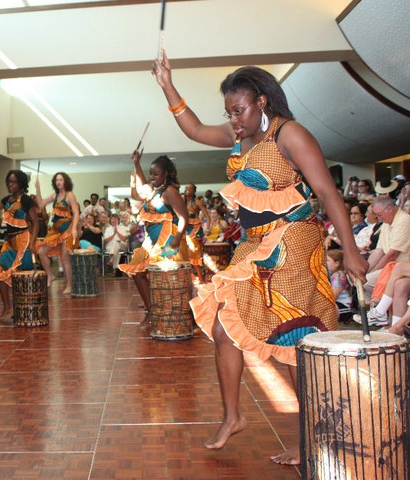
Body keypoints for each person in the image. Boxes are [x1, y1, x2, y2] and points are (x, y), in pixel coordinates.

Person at [153, 56, 367, 464]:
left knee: (290, 340)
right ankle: (233, 417)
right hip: (253, 244)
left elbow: (327, 192)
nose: (233, 119)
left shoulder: (291, 134)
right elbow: (195, 129)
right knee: (223, 328)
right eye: (229, 112)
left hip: (293, 241)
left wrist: (351, 249)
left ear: (262, 102)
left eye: (240, 110)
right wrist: (167, 84)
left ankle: (311, 438)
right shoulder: (238, 136)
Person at [120, 151, 188, 326]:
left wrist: (177, 240)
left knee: (171, 280)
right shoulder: (154, 190)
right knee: (137, 271)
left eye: (155, 174)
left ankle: (184, 317)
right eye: (151, 173)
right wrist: (137, 163)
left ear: (165, 174)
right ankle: (151, 311)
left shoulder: (169, 191)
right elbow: (142, 184)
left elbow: (184, 218)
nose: (152, 177)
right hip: (151, 241)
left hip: (167, 239)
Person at [0, 170, 38, 322]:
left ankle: (19, 309)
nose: (10, 184)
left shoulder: (26, 200)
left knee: (16, 275)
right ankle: (7, 308)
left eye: (14, 181)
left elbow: (35, 223)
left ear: (21, 183)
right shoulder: (7, 200)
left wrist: (33, 242)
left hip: (23, 241)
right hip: (9, 242)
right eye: (9, 181)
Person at [35, 172, 80, 294]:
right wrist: (37, 189)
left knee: (65, 257)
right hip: (55, 230)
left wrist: (74, 228)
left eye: (61, 180)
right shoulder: (54, 195)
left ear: (65, 181)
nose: (58, 182)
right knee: (41, 251)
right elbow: (41, 204)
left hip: (67, 229)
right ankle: (50, 275)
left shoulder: (69, 195)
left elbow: (76, 213)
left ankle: (70, 285)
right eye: (56, 180)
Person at [183, 183, 210, 277]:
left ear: (194, 191)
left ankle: (201, 278)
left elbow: (207, 215)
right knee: (185, 254)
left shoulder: (197, 202)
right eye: (186, 188)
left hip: (195, 228)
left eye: (190, 188)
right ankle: (192, 277)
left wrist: (207, 227)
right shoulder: (182, 200)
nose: (187, 190)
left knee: (194, 254)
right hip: (185, 229)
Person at [326, 250, 353, 323]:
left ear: (337, 263)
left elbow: (333, 296)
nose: (324, 263)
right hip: (338, 304)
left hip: (344, 308)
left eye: (327, 260)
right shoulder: (334, 275)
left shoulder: (339, 276)